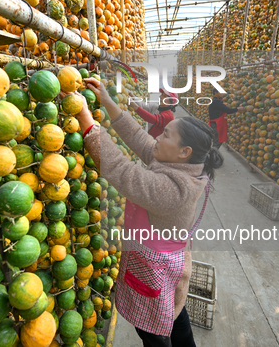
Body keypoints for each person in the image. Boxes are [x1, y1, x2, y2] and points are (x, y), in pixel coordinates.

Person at [76, 77, 223, 347]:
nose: (158, 136)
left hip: (153, 269)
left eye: (166, 134)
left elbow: (122, 172)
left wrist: (88, 123)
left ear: (184, 152)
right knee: (174, 315)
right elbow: (139, 138)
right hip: (165, 265)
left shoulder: (173, 189)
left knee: (153, 333)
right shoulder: (182, 165)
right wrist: (108, 102)